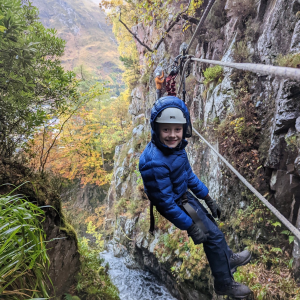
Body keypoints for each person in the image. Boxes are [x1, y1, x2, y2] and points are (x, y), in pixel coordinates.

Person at [139, 96, 252, 299]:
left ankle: (228, 258)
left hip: (183, 197)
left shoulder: (177, 149)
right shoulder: (154, 162)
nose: (172, 135)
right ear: (156, 129)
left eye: (177, 129)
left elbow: (188, 176)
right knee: (213, 238)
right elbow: (164, 203)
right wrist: (189, 226)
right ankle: (224, 283)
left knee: (215, 232)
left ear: (184, 129)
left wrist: (208, 198)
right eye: (166, 129)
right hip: (176, 204)